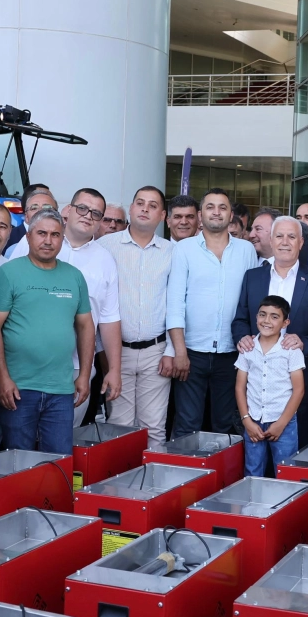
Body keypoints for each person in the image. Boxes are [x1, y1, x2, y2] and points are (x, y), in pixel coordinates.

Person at [0, 209, 94, 454]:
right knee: (19, 462)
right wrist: (3, 379)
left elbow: (86, 326)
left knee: (58, 461)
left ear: (62, 239)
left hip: (61, 388)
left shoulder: (74, 276)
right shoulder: (8, 273)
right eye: (42, 233)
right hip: (18, 388)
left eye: (55, 235)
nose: (48, 240)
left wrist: (84, 375)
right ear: (28, 236)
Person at [167, 188, 256, 437]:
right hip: (192, 352)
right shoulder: (184, 249)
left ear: (230, 215)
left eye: (222, 207)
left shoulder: (246, 250)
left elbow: (251, 302)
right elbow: (175, 303)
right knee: (187, 424)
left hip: (232, 352)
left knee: (225, 425)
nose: (216, 212)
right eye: (210, 207)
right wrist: (179, 351)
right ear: (200, 215)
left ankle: (222, 465)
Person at [236, 215, 308, 443]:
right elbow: (240, 319)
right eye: (279, 236)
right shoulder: (252, 277)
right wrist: (242, 337)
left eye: (291, 237)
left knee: (296, 448)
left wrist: (305, 343)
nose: (285, 242)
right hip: (256, 384)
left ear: (301, 242)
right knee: (256, 451)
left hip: (298, 380)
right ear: (271, 240)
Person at [103, 185, 175, 441]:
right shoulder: (105, 247)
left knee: (154, 427)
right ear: (131, 208)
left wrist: (171, 351)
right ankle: (119, 470)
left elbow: (177, 304)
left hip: (156, 351)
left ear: (162, 216)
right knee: (119, 427)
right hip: (117, 351)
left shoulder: (172, 252)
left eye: (153, 206)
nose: (145, 209)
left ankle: (153, 468)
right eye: (140, 203)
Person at [59, 188, 122, 425]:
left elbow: (109, 319)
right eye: (83, 208)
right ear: (68, 210)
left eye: (96, 213)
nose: (88, 216)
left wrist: (113, 369)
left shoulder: (105, 260)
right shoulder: (37, 242)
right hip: (29, 365)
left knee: (66, 436)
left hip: (79, 367)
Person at [236, 295, 305, 476]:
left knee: (285, 472)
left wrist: (281, 423)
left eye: (274, 317)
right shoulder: (248, 348)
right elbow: (239, 387)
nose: (266, 320)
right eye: (262, 314)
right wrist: (246, 421)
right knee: (252, 470)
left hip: (283, 421)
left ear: (285, 323)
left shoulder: (291, 350)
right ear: (256, 317)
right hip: (253, 421)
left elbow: (299, 390)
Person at [4, 185, 58, 259]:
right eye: (34, 208)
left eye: (47, 208)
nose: (40, 211)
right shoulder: (9, 239)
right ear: (26, 216)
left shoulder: (66, 242)